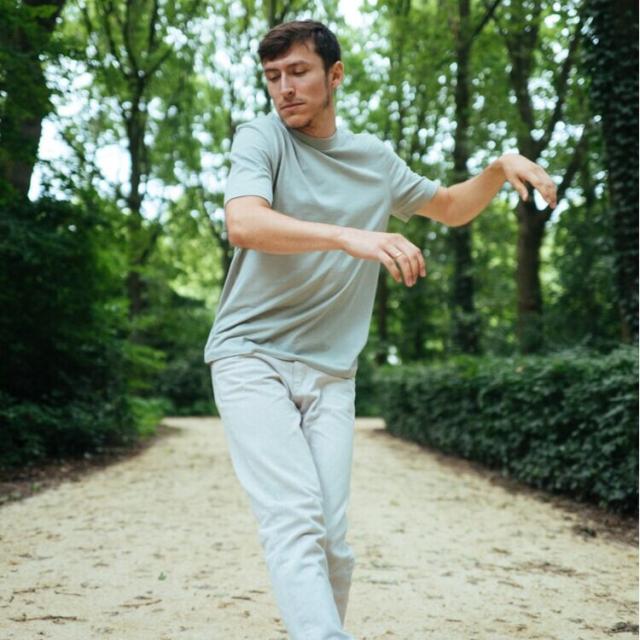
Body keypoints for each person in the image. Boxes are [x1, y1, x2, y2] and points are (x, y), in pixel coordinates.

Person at [204, 19, 557, 640]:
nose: (284, 89)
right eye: (273, 77)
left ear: (334, 75)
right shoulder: (261, 139)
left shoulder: (373, 161)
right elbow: (245, 224)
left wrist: (500, 167)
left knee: (333, 543)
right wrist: (352, 236)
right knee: (292, 518)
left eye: (298, 72)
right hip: (249, 355)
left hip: (332, 371)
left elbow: (449, 207)